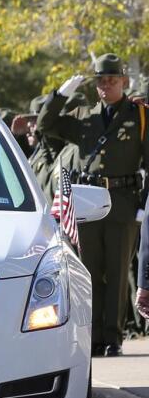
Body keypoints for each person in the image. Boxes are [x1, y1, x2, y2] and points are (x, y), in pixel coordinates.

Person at [39, 54, 149, 357]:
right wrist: (60, 95)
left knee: (115, 272)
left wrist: (144, 204)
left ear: (124, 82)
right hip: (88, 203)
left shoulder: (139, 116)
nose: (106, 85)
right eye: (101, 80)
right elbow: (46, 125)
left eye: (112, 80)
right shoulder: (83, 115)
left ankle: (112, 338)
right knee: (88, 271)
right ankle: (91, 336)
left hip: (123, 200)